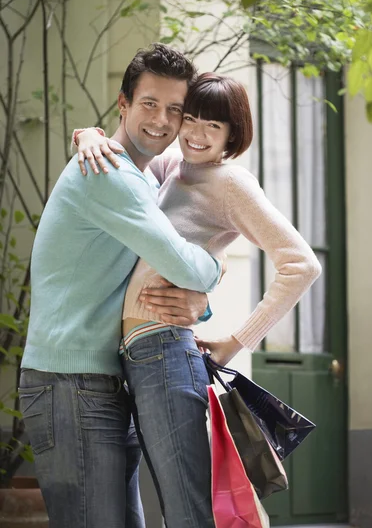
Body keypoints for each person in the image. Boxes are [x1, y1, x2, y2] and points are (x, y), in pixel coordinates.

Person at [74, 72, 322, 528]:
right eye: (191, 118)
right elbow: (129, 156)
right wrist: (89, 134)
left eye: (214, 126)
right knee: (171, 507)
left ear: (233, 134)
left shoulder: (232, 183)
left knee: (188, 510)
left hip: (166, 350)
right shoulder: (175, 169)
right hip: (133, 355)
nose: (196, 133)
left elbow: (302, 265)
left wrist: (237, 340)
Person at [18, 44, 224, 528]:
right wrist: (215, 273)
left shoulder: (143, 176)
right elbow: (187, 266)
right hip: (70, 384)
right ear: (123, 104)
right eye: (149, 103)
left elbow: (153, 271)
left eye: (175, 109)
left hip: (102, 382)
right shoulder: (110, 174)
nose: (162, 120)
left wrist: (201, 306)